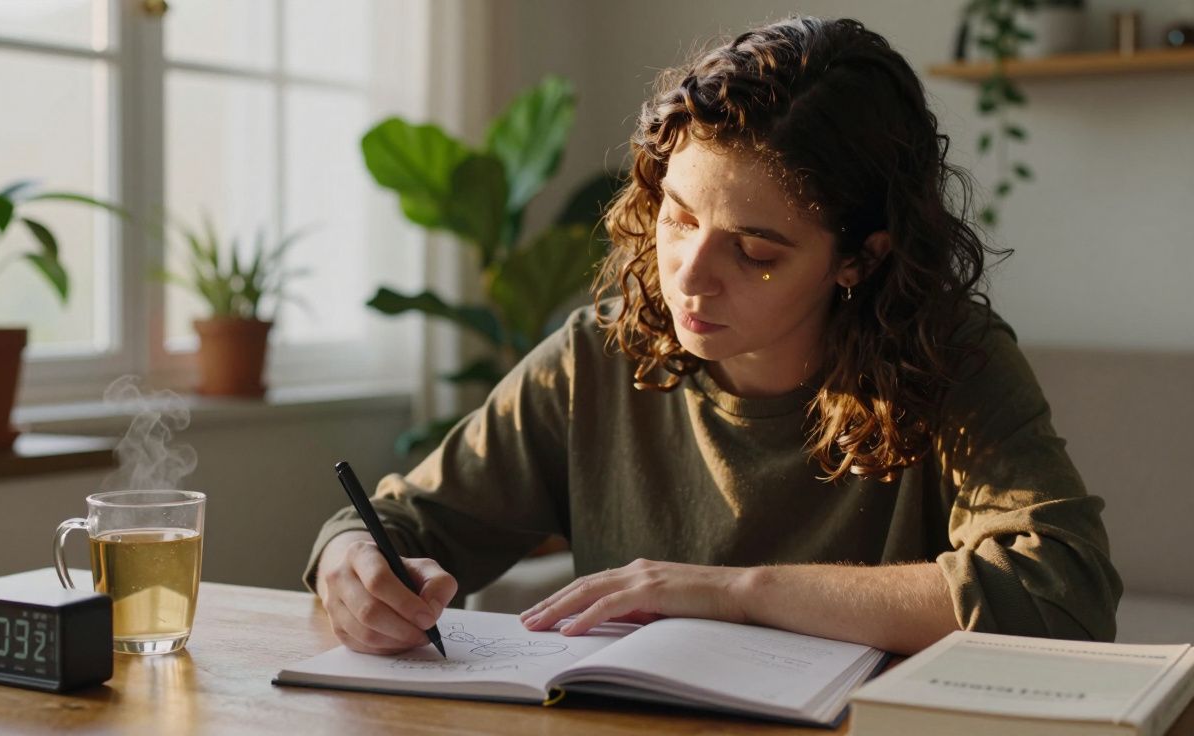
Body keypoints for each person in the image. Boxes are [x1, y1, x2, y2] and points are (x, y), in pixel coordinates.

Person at [303, 16, 1122, 657]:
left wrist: (737, 590)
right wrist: (355, 568)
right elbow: (398, 524)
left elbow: (1063, 592)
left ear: (860, 259)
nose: (688, 275)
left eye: (756, 252)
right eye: (678, 218)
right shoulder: (597, 359)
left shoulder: (952, 360)